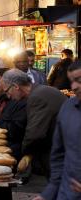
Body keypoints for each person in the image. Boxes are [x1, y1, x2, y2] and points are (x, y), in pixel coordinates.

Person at [0, 69, 67, 179]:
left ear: (16, 86)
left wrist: (25, 154)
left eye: (7, 91)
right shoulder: (41, 91)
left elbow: (35, 133)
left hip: (60, 151)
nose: (8, 96)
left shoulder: (37, 97)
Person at [33, 60, 81, 200]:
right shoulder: (68, 107)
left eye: (79, 80)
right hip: (67, 193)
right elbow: (58, 154)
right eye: (72, 81)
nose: (74, 86)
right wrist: (48, 193)